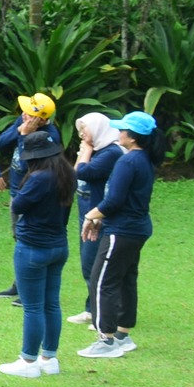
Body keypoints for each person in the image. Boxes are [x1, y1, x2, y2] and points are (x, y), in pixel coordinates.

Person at [79, 111, 161, 359]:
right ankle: (123, 335)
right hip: (136, 228)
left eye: (122, 129)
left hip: (122, 230)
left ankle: (107, 340)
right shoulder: (144, 159)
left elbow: (114, 200)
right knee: (126, 278)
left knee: (101, 281)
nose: (118, 133)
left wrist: (90, 216)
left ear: (133, 137)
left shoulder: (127, 161)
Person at [0, 128, 73, 379]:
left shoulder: (39, 178)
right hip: (58, 245)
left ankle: (28, 361)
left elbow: (18, 205)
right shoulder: (67, 173)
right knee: (51, 304)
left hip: (33, 246)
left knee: (32, 307)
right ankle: (49, 358)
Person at [0, 92, 56, 300]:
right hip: (16, 192)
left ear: (42, 119)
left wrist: (27, 136)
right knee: (19, 238)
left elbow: (36, 162)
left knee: (29, 241)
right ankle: (19, 284)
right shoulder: (23, 121)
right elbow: (1, 143)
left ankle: (30, 289)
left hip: (33, 195)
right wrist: (21, 131)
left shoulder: (50, 136)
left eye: (29, 114)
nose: (24, 116)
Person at [66, 112, 118, 323]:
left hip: (99, 218)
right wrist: (85, 152)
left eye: (84, 129)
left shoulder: (110, 152)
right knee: (88, 264)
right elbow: (74, 173)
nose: (81, 133)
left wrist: (85, 150)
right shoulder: (96, 150)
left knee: (96, 265)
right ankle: (92, 308)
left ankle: (103, 313)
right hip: (86, 215)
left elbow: (84, 173)